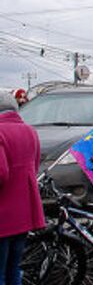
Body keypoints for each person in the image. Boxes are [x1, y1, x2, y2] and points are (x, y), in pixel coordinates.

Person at [0, 91, 45, 285]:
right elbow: (34, 168)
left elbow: (1, 173)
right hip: (26, 211)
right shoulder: (30, 131)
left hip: (3, 212)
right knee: (14, 267)